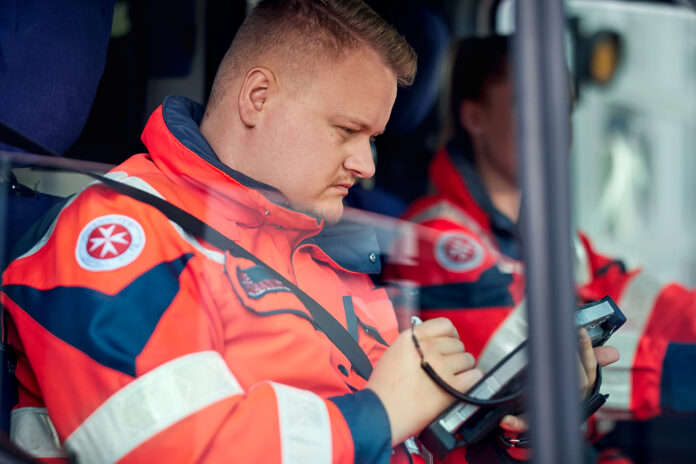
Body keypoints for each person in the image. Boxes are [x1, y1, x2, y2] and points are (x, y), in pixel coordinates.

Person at [0, 2, 516, 462]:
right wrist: (379, 414)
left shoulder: (319, 252)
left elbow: (405, 438)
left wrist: (507, 429)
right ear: (258, 97)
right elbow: (168, 448)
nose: (366, 165)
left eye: (373, 138)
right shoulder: (122, 230)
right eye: (346, 131)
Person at [383, 34, 696, 461]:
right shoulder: (436, 239)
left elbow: (642, 301)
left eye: (564, 109)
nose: (555, 126)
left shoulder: (548, 231)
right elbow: (524, 375)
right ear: (475, 117)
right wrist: (683, 374)